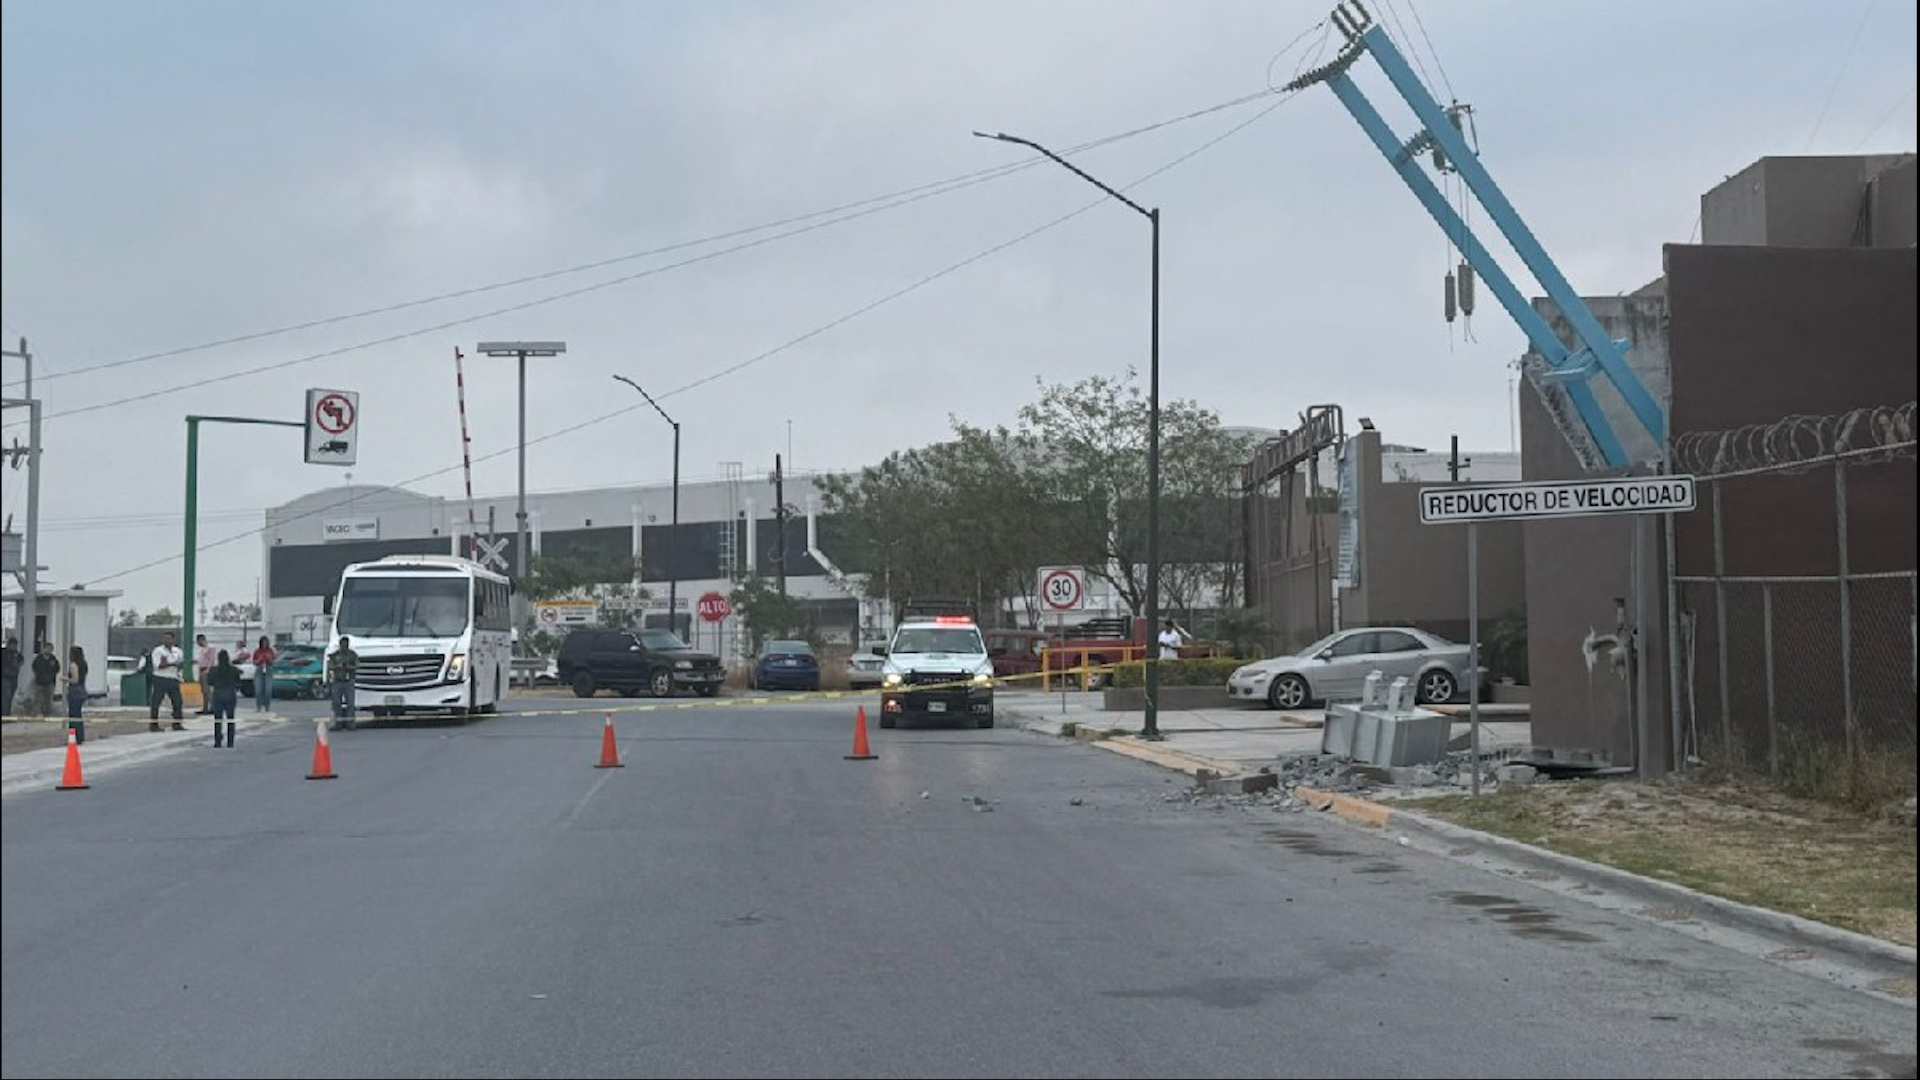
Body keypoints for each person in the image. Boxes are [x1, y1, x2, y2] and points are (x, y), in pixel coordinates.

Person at [149, 633, 186, 731]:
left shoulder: (178, 651)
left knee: (178, 702)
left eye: (169, 639)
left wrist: (171, 664)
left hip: (173, 678)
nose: (166, 641)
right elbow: (158, 665)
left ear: (173, 640)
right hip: (160, 678)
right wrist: (171, 664)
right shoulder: (158, 651)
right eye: (165, 638)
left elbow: (180, 664)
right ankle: (154, 724)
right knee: (156, 702)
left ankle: (177, 723)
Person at [207, 649, 243, 747]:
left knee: (218, 720)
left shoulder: (214, 670)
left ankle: (217, 741)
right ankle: (230, 742)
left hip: (218, 695)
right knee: (230, 719)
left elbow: (210, 683)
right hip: (230, 695)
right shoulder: (233, 669)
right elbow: (239, 683)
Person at [328, 635, 359, 730]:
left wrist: (349, 667)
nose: (344, 646)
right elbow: (330, 666)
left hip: (348, 681)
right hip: (337, 681)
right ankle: (338, 723)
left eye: (346, 644)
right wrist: (338, 666)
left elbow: (357, 666)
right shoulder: (335, 655)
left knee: (350, 704)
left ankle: (350, 724)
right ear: (340, 644)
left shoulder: (352, 655)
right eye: (343, 644)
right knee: (336, 703)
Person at [64, 645, 90, 744]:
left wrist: (65, 679)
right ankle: (80, 736)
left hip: (75, 690)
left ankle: (74, 736)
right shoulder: (84, 664)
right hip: (82, 689)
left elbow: (75, 679)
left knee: (73, 714)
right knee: (78, 714)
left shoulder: (73, 665)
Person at [30, 641, 60, 717]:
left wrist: (51, 676)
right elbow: (34, 667)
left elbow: (57, 669)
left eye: (50, 649)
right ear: (44, 649)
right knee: (37, 699)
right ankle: (34, 715)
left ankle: (47, 714)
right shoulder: (38, 658)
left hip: (50, 683)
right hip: (39, 682)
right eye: (47, 648)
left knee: (48, 700)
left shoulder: (53, 659)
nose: (48, 650)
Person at [250, 635, 276, 711]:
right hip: (259, 669)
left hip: (268, 669)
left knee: (268, 690)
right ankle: (259, 706)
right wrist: (259, 659)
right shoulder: (257, 651)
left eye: (266, 642)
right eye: (263, 643)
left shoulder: (270, 651)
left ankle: (267, 706)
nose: (264, 644)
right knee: (258, 690)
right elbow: (254, 662)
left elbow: (273, 661)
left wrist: (269, 658)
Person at [194, 634, 217, 715]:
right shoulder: (202, 649)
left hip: (206, 670)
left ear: (201, 640)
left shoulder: (210, 648)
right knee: (204, 691)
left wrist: (208, 670)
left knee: (208, 690)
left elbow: (211, 660)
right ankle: (205, 708)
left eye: (198, 641)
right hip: (201, 669)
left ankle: (213, 707)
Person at [0, 633, 21, 719]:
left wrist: (17, 663)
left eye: (15, 645)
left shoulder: (16, 654)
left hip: (13, 678)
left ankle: (7, 715)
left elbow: (21, 660)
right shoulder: (3, 653)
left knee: (10, 698)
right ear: (9, 644)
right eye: (12, 645)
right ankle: (4, 716)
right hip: (5, 678)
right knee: (6, 697)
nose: (14, 647)